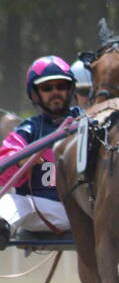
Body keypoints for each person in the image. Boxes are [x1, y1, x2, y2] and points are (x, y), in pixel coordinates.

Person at [0, 57, 79, 248]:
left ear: (70, 89)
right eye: (47, 88)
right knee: (14, 201)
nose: (55, 92)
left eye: (61, 85)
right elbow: (4, 161)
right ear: (35, 94)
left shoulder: (88, 121)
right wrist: (19, 160)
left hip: (86, 210)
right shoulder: (28, 130)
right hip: (44, 210)